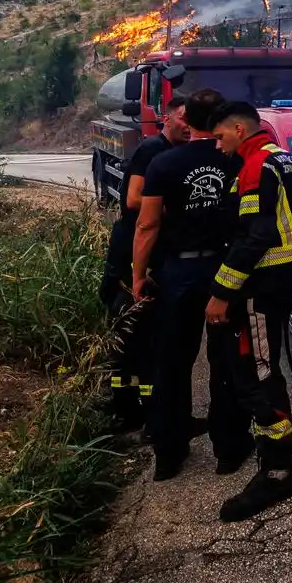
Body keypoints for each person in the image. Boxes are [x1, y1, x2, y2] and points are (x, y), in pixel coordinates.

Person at [207, 101, 292, 522]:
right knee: (267, 363)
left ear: (239, 129)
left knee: (254, 375)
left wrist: (221, 292)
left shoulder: (255, 167)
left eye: (220, 136)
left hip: (256, 289)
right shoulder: (289, 161)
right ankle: (287, 434)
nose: (217, 145)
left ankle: (277, 471)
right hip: (281, 283)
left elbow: (256, 237)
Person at [134, 88, 247, 481]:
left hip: (178, 273)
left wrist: (138, 274)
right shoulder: (235, 159)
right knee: (227, 361)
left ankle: (169, 454)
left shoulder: (164, 163)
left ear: (187, 119)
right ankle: (228, 450)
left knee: (172, 364)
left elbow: (147, 224)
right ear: (220, 120)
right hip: (224, 270)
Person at [99, 95, 190, 433]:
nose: (189, 126)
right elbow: (134, 199)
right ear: (167, 117)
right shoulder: (152, 150)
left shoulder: (176, 153)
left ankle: (152, 414)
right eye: (183, 118)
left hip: (150, 253)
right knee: (130, 333)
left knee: (149, 337)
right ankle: (125, 412)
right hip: (130, 254)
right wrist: (177, 207)